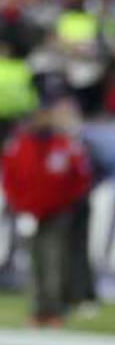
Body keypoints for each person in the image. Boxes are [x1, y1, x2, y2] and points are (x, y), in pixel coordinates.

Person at [0, 90, 93, 325]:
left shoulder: (64, 145)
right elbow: (9, 178)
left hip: (57, 213)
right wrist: (19, 206)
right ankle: (38, 309)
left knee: (55, 262)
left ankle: (55, 310)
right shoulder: (18, 146)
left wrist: (67, 204)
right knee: (34, 263)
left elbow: (80, 178)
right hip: (28, 214)